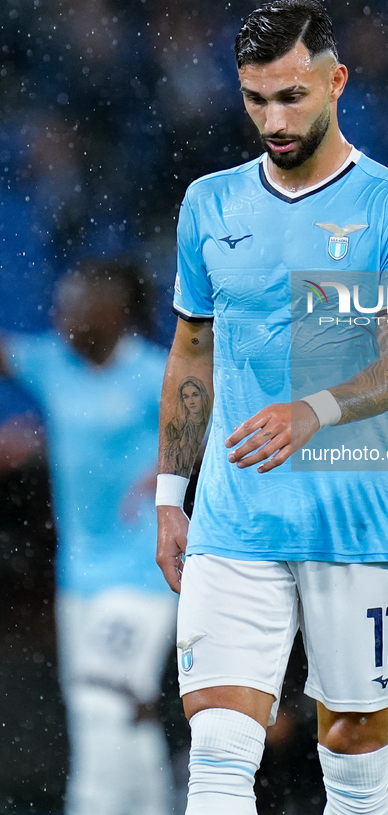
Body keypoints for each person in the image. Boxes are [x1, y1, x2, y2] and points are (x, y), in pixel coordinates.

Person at [156, 0, 388, 815]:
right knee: (216, 751)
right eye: (254, 98)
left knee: (353, 758)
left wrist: (311, 408)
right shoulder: (209, 204)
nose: (272, 117)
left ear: (336, 81)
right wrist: (175, 496)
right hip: (235, 520)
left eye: (291, 95)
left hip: (354, 516)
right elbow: (193, 350)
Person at [0, 259, 177, 815]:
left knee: (102, 704)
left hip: (143, 573)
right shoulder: (51, 364)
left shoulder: (157, 375)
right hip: (78, 576)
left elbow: (226, 426)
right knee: (116, 711)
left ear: (115, 310)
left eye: (75, 300)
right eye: (59, 300)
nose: (60, 311)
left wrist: (178, 464)